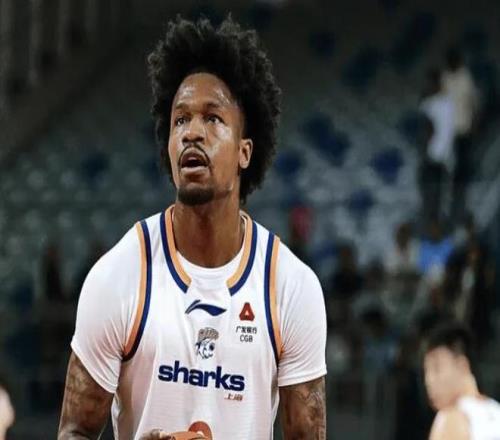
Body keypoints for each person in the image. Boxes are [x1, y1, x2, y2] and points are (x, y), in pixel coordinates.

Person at [58, 16, 327, 440]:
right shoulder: (119, 276)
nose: (192, 133)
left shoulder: (292, 287)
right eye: (180, 120)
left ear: (245, 151)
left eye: (212, 118)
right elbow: (73, 432)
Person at [422, 322, 500, 439]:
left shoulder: (450, 418)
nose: (429, 380)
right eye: (426, 371)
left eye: (436, 368)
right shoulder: (496, 411)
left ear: (462, 366)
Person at [442, 48, 480, 223]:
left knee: (463, 163)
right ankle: (452, 197)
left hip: (464, 128)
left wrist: (474, 123)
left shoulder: (465, 77)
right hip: (449, 130)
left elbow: (473, 101)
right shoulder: (445, 77)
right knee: (451, 165)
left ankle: (462, 194)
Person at [419, 69, 455, 222]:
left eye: (432, 83)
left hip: (444, 152)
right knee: (430, 186)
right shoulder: (430, 102)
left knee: (443, 188)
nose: (430, 86)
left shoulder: (444, 102)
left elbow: (430, 127)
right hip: (434, 152)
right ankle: (432, 216)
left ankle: (440, 218)